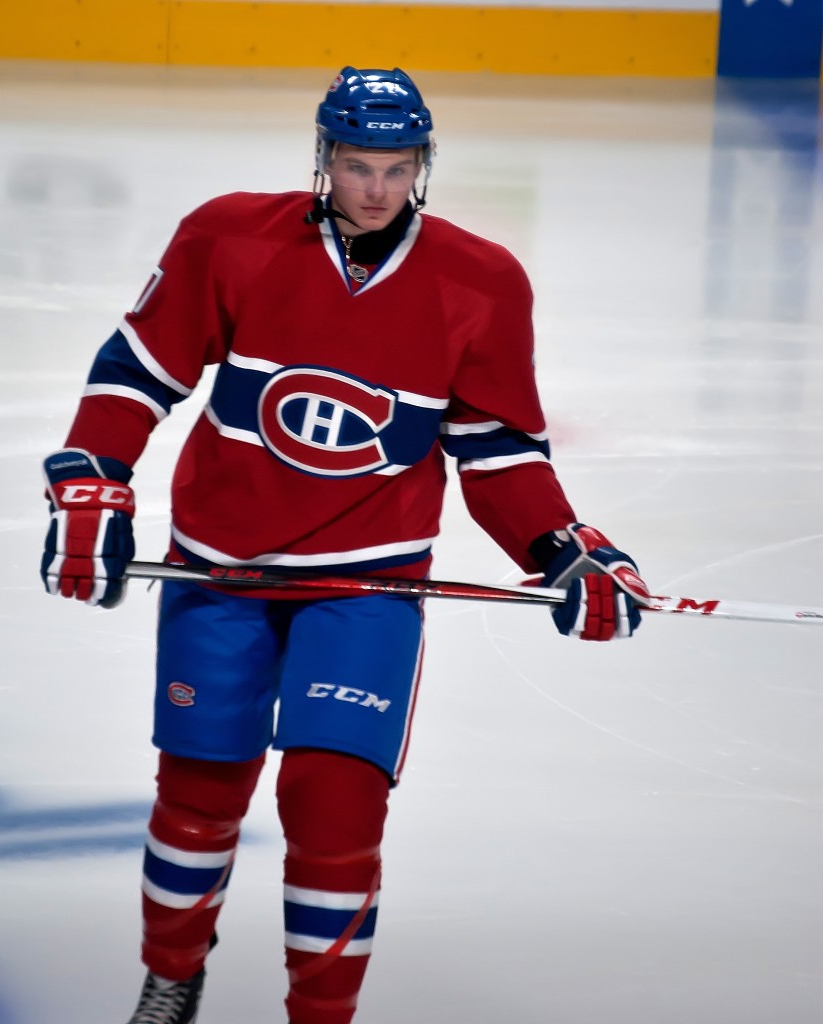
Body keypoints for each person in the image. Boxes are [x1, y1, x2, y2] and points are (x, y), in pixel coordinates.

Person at [40, 66, 650, 1024]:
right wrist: (92, 474)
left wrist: (562, 549)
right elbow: (136, 371)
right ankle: (171, 978)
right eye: (357, 165)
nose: (376, 187)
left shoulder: (481, 281)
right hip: (220, 569)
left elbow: (496, 456)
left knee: (335, 805)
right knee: (198, 794)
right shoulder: (229, 236)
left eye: (396, 167)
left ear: (422, 167)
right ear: (324, 159)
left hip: (365, 586)